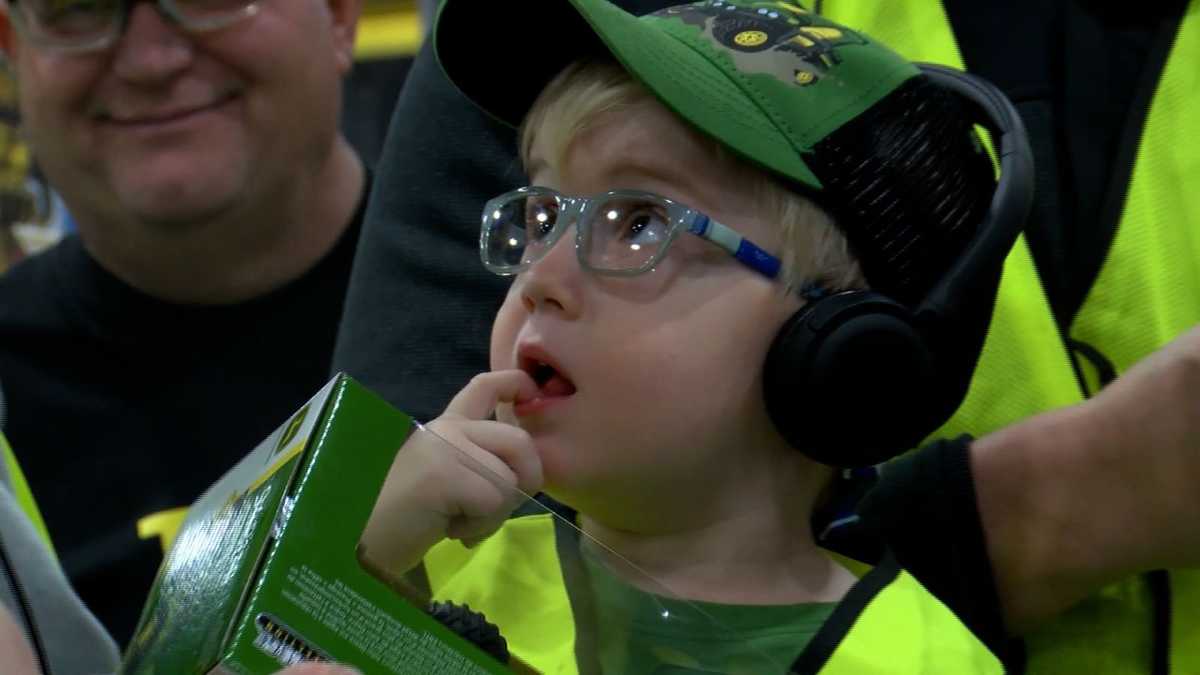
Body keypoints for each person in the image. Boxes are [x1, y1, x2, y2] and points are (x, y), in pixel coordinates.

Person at [335, 0, 1200, 672]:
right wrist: (341, 554)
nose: (543, 279)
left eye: (638, 224)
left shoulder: (917, 657)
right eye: (545, 213)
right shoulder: (437, 554)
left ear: (839, 347)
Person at [0, 0, 367, 645]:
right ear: (13, 47)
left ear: (339, 15)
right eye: (78, 8)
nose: (149, 61)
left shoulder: (535, 320)